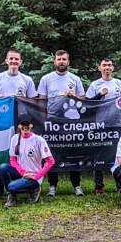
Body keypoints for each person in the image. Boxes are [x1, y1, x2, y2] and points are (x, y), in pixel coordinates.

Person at [0, 49, 38, 197]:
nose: (14, 62)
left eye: (16, 59)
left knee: (20, 151)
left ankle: (22, 182)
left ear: (20, 62)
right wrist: (4, 97)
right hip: (2, 121)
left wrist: (18, 98)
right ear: (6, 61)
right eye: (11, 59)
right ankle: (0, 186)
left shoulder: (26, 80)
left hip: (21, 121)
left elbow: (33, 100)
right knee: (1, 151)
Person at [37, 50, 85, 197]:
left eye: (64, 59)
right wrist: (42, 120)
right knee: (52, 153)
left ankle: (76, 185)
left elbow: (83, 100)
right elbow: (41, 101)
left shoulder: (75, 79)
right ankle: (52, 185)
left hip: (71, 124)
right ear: (55, 62)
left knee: (73, 152)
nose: (61, 61)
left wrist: (74, 96)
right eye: (59, 59)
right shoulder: (46, 79)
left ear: (68, 62)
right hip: (52, 122)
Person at [86, 57, 121, 195]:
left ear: (113, 68)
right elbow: (89, 104)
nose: (107, 68)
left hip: (117, 124)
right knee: (98, 155)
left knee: (118, 154)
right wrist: (100, 94)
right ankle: (99, 186)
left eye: (109, 65)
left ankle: (120, 185)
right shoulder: (95, 84)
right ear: (100, 68)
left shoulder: (119, 83)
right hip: (100, 125)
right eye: (104, 65)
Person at [0, 114, 55, 208]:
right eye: (22, 124)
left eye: (27, 124)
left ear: (31, 125)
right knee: (3, 167)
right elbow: (12, 159)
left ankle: (35, 189)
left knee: (11, 186)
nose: (25, 127)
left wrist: (38, 176)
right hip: (21, 173)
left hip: (33, 175)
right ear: (19, 126)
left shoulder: (39, 140)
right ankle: (12, 196)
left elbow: (50, 161)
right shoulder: (15, 138)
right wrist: (23, 172)